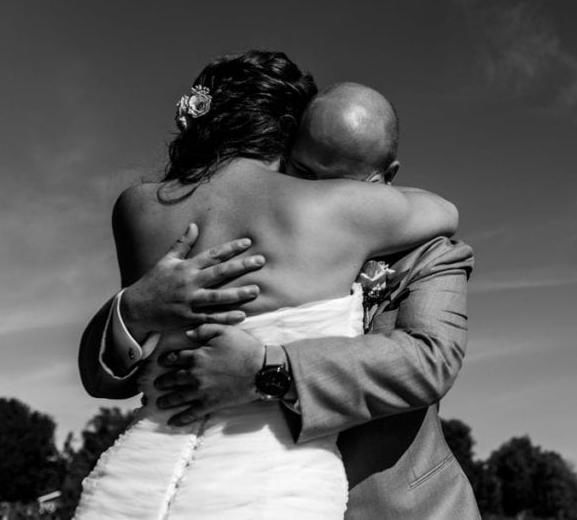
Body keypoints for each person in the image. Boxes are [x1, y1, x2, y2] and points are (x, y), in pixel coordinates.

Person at [74, 51, 467, 519]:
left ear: (388, 176)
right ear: (287, 140)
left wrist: (266, 369)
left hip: (384, 506)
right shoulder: (320, 214)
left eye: (341, 178)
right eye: (303, 172)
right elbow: (105, 377)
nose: (323, 191)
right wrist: (134, 310)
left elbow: (429, 360)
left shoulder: (431, 250)